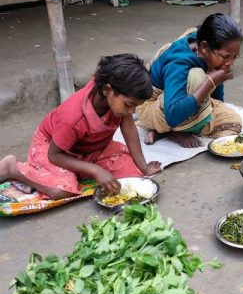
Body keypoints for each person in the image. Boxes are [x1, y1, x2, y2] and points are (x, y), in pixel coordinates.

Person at [0, 54, 162, 200]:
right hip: (53, 148)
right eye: (129, 105)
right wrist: (94, 170)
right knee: (62, 191)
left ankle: (74, 171)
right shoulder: (72, 116)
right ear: (107, 90)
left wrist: (144, 167)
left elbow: (128, 126)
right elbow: (54, 155)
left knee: (133, 176)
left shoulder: (117, 98)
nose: (132, 111)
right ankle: (13, 168)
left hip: (92, 149)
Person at [136, 12, 243, 148]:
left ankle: (167, 131)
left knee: (233, 125)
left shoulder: (203, 43)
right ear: (204, 47)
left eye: (235, 56)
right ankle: (173, 131)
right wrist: (210, 81)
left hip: (182, 98)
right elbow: (172, 114)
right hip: (156, 107)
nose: (230, 63)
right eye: (225, 57)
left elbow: (216, 100)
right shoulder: (178, 62)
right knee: (197, 76)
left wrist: (216, 82)